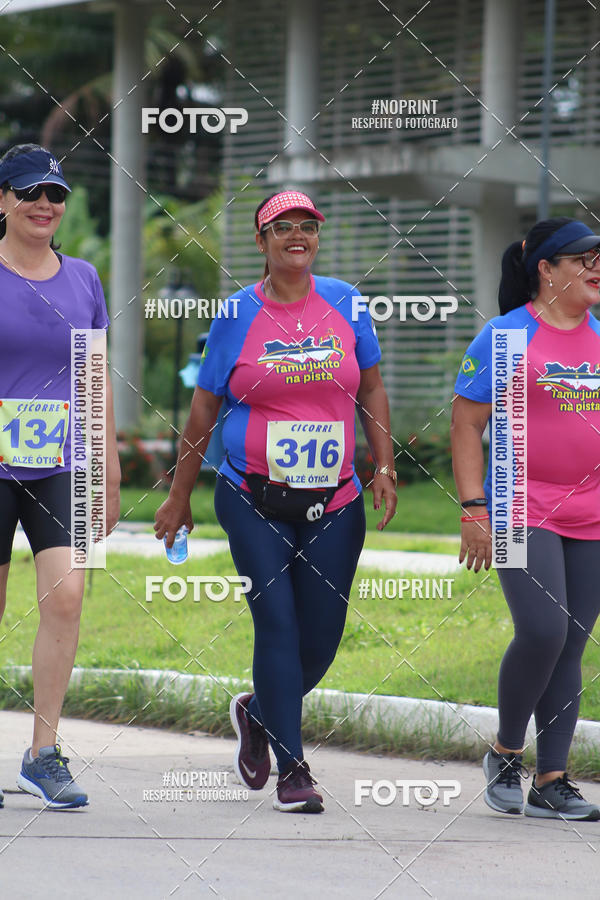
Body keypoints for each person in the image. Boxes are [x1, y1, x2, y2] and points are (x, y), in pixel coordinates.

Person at [155, 189, 397, 813]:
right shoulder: (236, 312)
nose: (298, 235)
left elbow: (370, 385)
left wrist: (384, 464)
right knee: (278, 623)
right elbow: (205, 406)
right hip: (250, 495)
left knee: (321, 638)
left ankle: (258, 712)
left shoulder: (346, 301)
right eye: (282, 227)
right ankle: (295, 770)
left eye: (308, 227)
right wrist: (179, 497)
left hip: (336, 499)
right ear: (261, 243)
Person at [452, 216, 600, 821]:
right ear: (546, 269)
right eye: (583, 259)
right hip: (518, 501)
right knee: (543, 630)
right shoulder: (507, 335)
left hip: (593, 510)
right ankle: (506, 751)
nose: (596, 268)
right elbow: (466, 425)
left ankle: (553, 778)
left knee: (572, 643)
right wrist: (472, 507)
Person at [0, 144, 120, 809]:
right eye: (28, 192)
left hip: (61, 463)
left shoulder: (84, 280)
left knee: (67, 597)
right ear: (2, 201)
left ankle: (43, 754)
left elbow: (93, 375)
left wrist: (107, 463)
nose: (44, 204)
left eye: (55, 194)